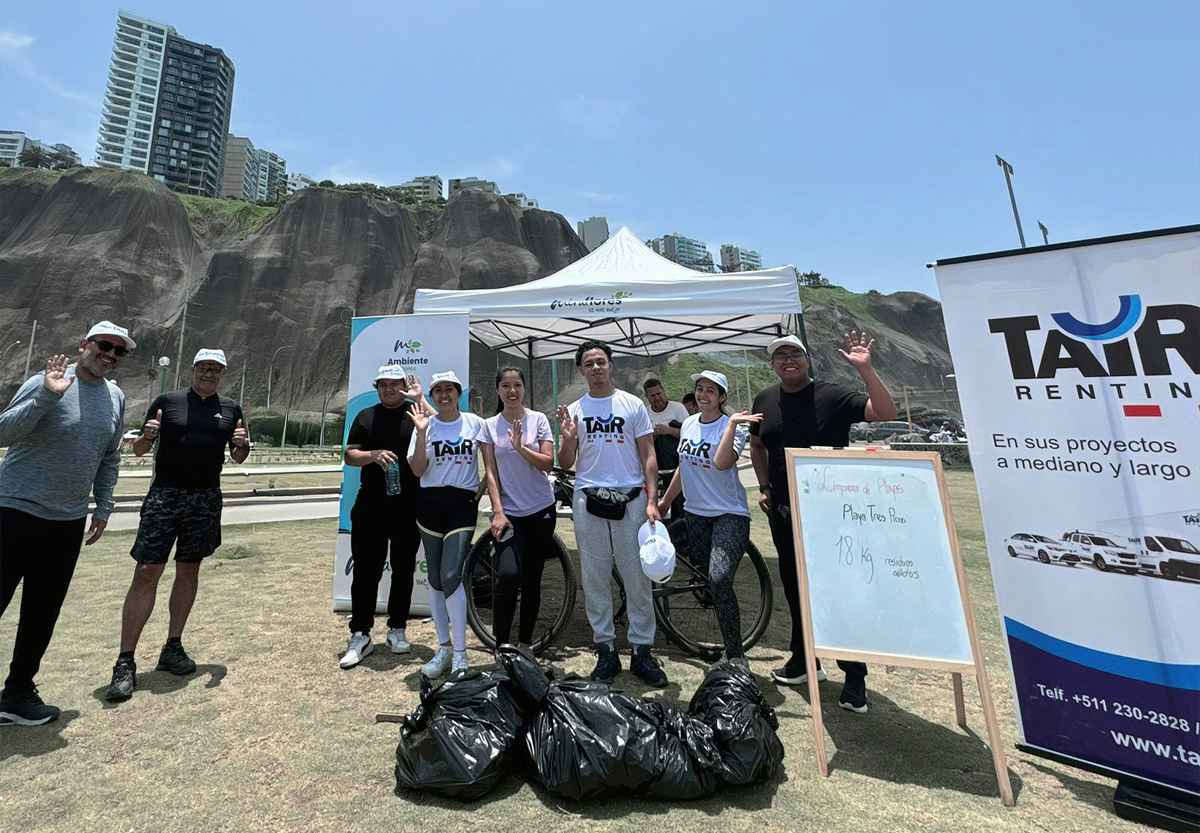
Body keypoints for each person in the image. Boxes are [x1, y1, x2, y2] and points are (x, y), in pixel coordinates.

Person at [750, 332, 897, 714]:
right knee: (794, 586)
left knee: (840, 591)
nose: (787, 361)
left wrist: (866, 370)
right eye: (780, 356)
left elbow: (884, 412)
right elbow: (757, 444)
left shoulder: (833, 395)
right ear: (773, 365)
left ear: (808, 359)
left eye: (794, 354)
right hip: (784, 512)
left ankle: (854, 674)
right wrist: (764, 486)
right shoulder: (765, 399)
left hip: (832, 514)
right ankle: (804, 660)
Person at [1, 321, 132, 724]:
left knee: (42, 612)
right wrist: (47, 395)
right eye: (104, 345)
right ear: (83, 344)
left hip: (67, 521)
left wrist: (104, 505)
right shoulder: (46, 382)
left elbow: (110, 456)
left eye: (119, 351)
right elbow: (4, 432)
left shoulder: (115, 397)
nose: (110, 354)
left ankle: (17, 694)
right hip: (15, 510)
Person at [106, 348, 249, 701]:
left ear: (223, 373)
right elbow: (139, 450)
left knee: (189, 571)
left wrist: (242, 445)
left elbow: (238, 455)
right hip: (165, 495)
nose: (209, 374)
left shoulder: (231, 408)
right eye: (204, 367)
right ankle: (125, 661)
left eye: (216, 369)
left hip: (205, 498)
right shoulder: (167, 401)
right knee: (147, 571)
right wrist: (148, 436)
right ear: (192, 369)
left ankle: (172, 646)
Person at [557, 341, 667, 687]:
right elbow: (565, 463)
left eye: (601, 361)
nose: (596, 368)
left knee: (637, 578)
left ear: (610, 365)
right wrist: (568, 439)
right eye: (589, 363)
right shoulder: (574, 409)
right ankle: (605, 649)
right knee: (595, 577)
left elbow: (648, 454)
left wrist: (652, 499)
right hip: (589, 500)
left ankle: (642, 651)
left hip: (631, 498)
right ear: (581, 370)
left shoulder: (632, 404)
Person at [658, 371, 760, 667]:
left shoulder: (733, 427)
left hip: (729, 513)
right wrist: (666, 501)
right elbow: (684, 466)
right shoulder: (689, 423)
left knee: (719, 578)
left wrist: (731, 425)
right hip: (695, 514)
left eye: (710, 391)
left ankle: (735, 655)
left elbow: (721, 462)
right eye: (699, 389)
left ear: (722, 397)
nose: (703, 395)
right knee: (705, 581)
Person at [337, 366, 432, 669]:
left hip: (408, 506)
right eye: (383, 385)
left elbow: (443, 427)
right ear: (376, 387)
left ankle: (397, 629)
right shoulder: (365, 416)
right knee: (366, 571)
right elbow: (349, 455)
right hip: (370, 506)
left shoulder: (416, 413)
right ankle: (360, 634)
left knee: (403, 570)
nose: (389, 389)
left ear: (404, 386)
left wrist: (420, 398)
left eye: (395, 384)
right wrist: (372, 455)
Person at [407, 371, 485, 678]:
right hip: (429, 506)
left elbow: (493, 457)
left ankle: (461, 654)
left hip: (462, 507)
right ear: (433, 396)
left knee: (452, 574)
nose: (444, 395)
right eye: (438, 390)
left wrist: (486, 484)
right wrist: (421, 434)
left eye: (449, 389)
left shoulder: (474, 423)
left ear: (458, 393)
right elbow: (417, 470)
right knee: (436, 579)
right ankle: (444, 649)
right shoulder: (425, 425)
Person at [477, 366, 556, 651]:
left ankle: (524, 646)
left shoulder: (539, 419)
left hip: (540, 509)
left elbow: (548, 463)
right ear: (497, 390)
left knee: (532, 579)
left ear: (524, 388)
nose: (512, 391)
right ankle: (502, 647)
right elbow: (490, 472)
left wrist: (521, 448)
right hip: (509, 514)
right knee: (509, 576)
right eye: (506, 386)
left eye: (517, 385)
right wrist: (498, 512)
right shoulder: (489, 426)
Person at [643, 378, 689, 520]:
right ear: (647, 397)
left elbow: (689, 435)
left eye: (659, 393)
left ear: (664, 391)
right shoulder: (645, 413)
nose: (657, 398)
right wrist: (652, 437)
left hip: (677, 468)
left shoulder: (678, 408)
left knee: (680, 510)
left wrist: (669, 430)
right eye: (653, 395)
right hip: (656, 471)